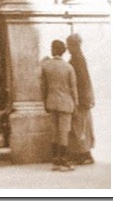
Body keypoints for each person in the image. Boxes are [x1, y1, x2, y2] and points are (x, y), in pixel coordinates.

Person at [40, 40, 79, 171]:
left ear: (53, 50)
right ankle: (64, 161)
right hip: (66, 103)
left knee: (54, 132)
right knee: (64, 132)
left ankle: (55, 161)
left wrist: (45, 100)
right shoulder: (68, 67)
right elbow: (73, 88)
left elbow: (43, 87)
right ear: (63, 51)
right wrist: (76, 104)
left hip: (51, 102)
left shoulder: (46, 66)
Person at [66, 33, 95, 165]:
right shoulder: (78, 58)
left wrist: (80, 100)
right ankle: (83, 153)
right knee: (82, 127)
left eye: (70, 45)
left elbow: (82, 82)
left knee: (80, 128)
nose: (68, 47)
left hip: (80, 100)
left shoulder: (77, 60)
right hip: (83, 99)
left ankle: (84, 154)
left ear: (74, 45)